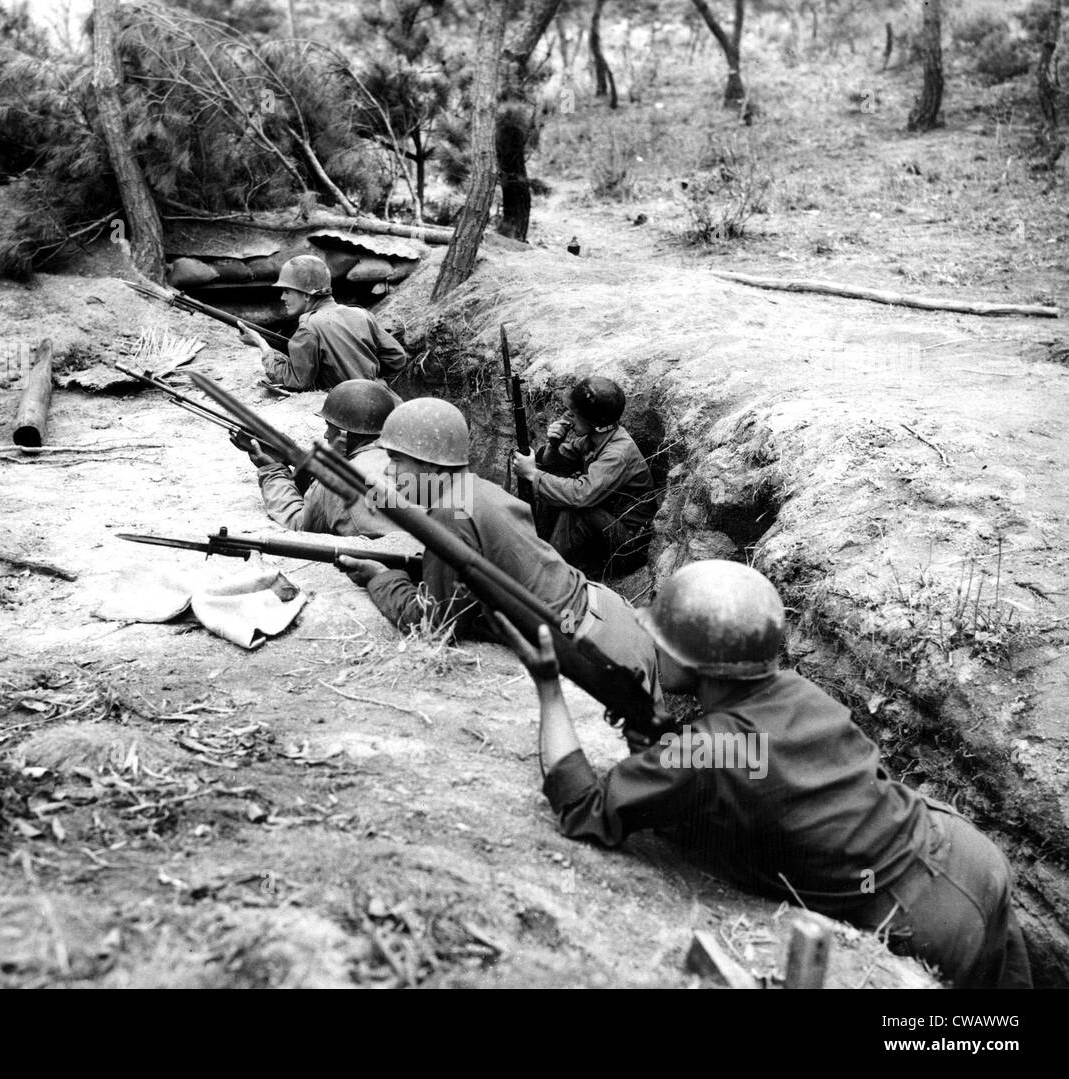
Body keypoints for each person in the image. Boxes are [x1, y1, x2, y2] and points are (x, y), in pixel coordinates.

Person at [497, 559, 1032, 990]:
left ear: (698, 661)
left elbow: (583, 809)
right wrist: (662, 747)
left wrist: (549, 687)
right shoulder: (797, 691)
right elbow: (759, 762)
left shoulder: (710, 750)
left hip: (922, 916)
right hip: (968, 853)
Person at [335, 397, 663, 721]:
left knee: (656, 757)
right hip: (613, 618)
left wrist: (380, 578)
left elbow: (435, 623)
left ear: (430, 465)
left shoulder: (451, 513)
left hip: (597, 650)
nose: (389, 472)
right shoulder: (476, 490)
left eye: (395, 459)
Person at [512, 376, 657, 577]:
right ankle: (543, 548)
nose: (568, 417)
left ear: (594, 422)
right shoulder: (596, 438)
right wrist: (553, 445)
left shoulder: (617, 453)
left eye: (574, 414)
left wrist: (532, 474)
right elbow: (556, 465)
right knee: (555, 480)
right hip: (609, 528)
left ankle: (549, 573)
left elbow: (581, 495)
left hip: (628, 548)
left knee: (578, 509)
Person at [234, 379, 398, 539]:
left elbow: (297, 523)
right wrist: (295, 456)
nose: (326, 434)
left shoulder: (334, 484)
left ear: (342, 436)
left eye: (329, 427)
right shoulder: (409, 460)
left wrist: (273, 470)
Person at [236, 254, 407, 392]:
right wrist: (370, 377)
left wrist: (261, 343)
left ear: (307, 295)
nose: (282, 297)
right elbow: (397, 358)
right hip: (384, 399)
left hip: (351, 408)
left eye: (287, 291)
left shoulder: (309, 326)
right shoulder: (362, 314)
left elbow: (297, 380)